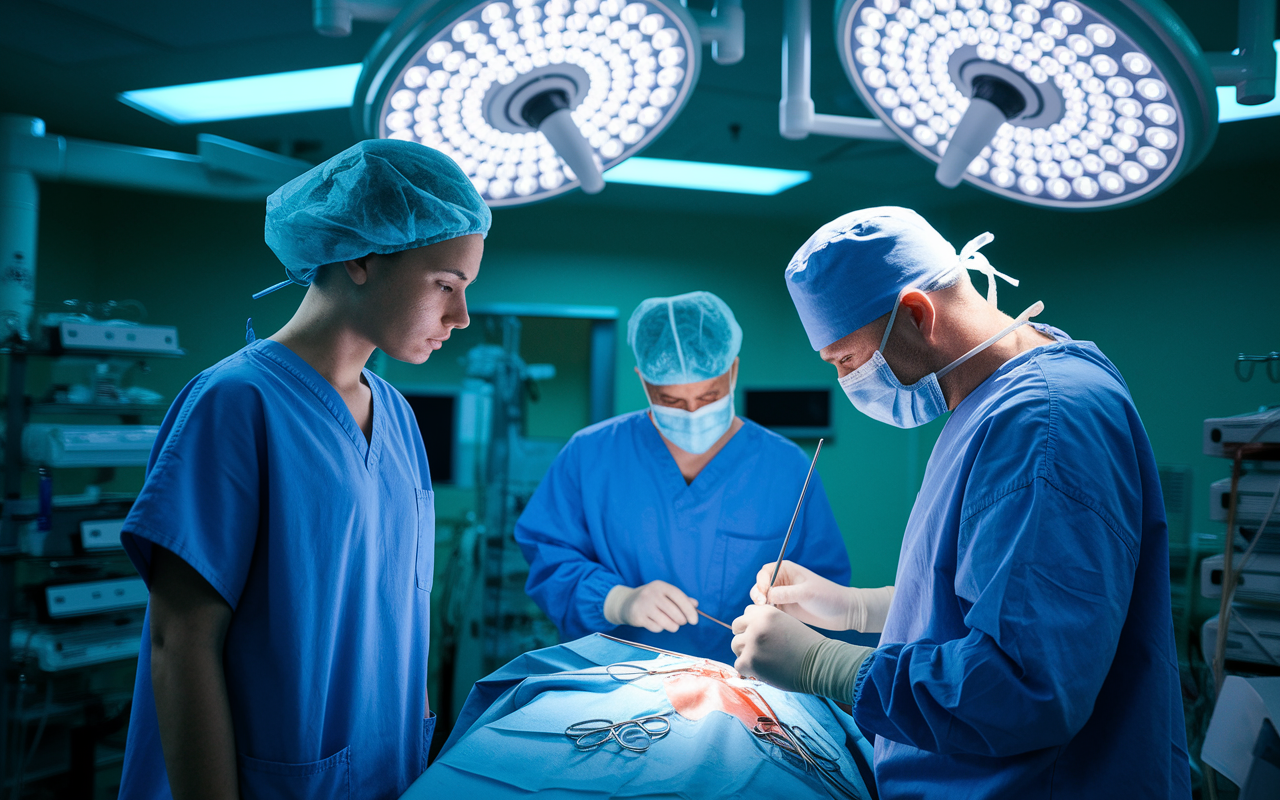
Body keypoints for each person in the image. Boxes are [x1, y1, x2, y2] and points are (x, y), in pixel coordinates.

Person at [731, 207, 1191, 797]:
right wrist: (855, 609)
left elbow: (1025, 688)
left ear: (918, 314)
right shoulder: (991, 402)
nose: (848, 381)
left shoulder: (1045, 423)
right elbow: (1008, 594)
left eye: (848, 360)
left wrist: (826, 664)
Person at [116, 139, 490, 800]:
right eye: (445, 285)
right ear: (362, 258)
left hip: (383, 767)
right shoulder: (236, 404)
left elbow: (397, 604)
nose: (460, 317)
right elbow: (182, 643)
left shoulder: (398, 417)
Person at [514, 291, 851, 660]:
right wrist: (615, 600)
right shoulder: (590, 454)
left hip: (749, 688)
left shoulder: (785, 467)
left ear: (733, 371)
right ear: (643, 381)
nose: (692, 412)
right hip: (614, 685)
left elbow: (824, 590)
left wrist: (791, 633)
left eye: (709, 396)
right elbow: (549, 555)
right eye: (672, 401)